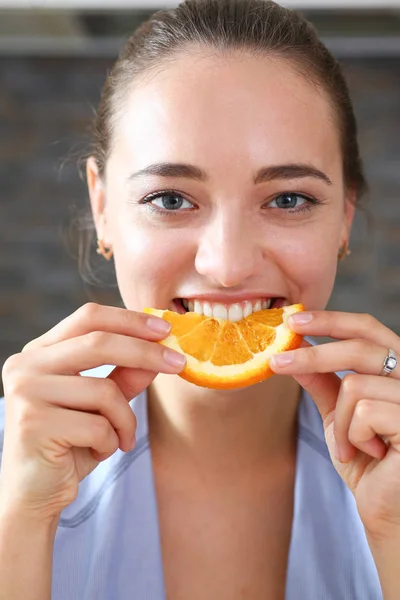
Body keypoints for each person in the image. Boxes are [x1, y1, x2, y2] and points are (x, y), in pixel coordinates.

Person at [0, 0, 399, 598]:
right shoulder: (14, 457)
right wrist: (19, 525)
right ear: (102, 207)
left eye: (288, 200)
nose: (228, 266)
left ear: (343, 217)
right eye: (170, 199)